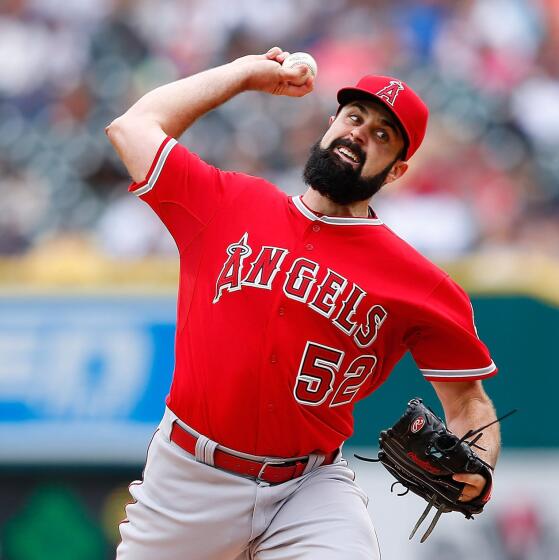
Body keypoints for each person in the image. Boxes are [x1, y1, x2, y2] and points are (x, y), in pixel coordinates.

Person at [105, 46, 501, 559]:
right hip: (187, 478)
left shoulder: (420, 284)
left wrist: (479, 465)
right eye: (354, 117)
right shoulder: (227, 202)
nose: (360, 132)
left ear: (397, 171)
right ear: (329, 123)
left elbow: (468, 403)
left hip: (308, 488)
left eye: (382, 134)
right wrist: (244, 74)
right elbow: (131, 127)